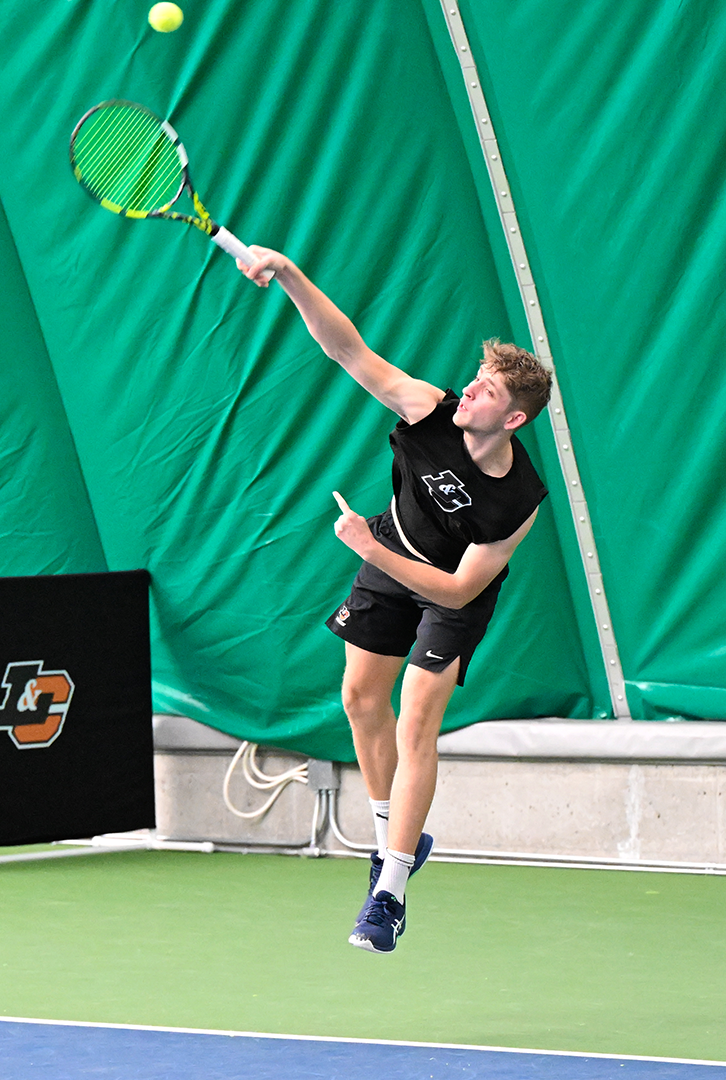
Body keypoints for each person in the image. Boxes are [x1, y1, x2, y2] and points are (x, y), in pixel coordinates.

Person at [237, 246, 553, 952]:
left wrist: (367, 549)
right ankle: (393, 842)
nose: (468, 393)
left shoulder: (517, 503)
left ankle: (391, 894)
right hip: (395, 547)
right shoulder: (428, 411)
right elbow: (349, 349)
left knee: (416, 722)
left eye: (486, 392)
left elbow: (458, 586)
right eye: (473, 381)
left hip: (447, 593)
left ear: (513, 421)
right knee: (359, 699)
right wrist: (287, 274)